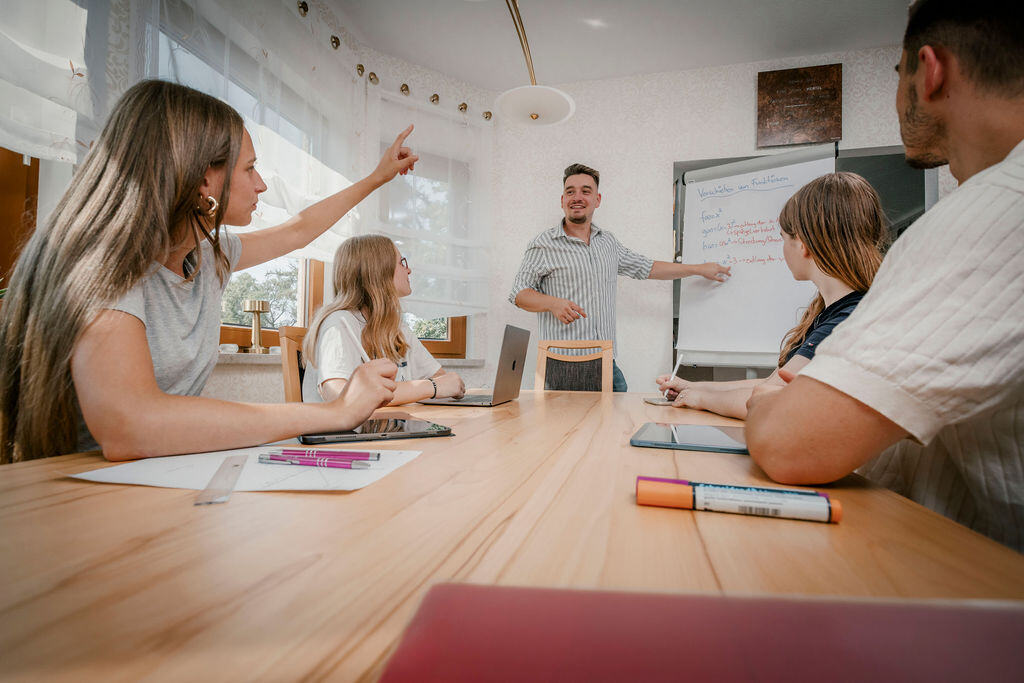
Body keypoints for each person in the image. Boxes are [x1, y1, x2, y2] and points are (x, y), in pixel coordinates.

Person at [0, 79, 420, 463]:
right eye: (249, 168)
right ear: (205, 180)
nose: (261, 185)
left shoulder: (208, 257)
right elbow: (131, 425)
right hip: (73, 500)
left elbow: (299, 229)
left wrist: (377, 178)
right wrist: (332, 412)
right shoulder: (104, 259)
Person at [745, 0, 1024, 551]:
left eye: (898, 75)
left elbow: (791, 444)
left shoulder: (993, 213)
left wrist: (766, 406)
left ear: (931, 70)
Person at [656, 172, 887, 419]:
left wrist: (702, 398)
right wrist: (692, 387)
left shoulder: (845, 320)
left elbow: (768, 398)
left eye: (783, 238)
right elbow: (771, 382)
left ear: (802, 245)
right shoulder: (835, 311)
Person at [510, 163, 731, 391]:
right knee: (571, 427)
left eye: (585, 191)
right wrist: (552, 303)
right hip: (564, 365)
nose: (577, 197)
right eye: (570, 191)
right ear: (562, 200)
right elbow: (519, 293)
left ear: (597, 200)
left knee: (622, 423)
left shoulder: (608, 242)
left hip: (606, 360)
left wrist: (698, 269)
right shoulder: (543, 244)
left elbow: (648, 267)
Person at [302, 234, 466, 405]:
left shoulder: (397, 329)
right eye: (402, 262)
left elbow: (441, 379)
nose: (408, 270)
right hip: (348, 432)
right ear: (379, 271)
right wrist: (429, 387)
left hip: (391, 427)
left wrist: (439, 385)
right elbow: (339, 395)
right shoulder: (338, 323)